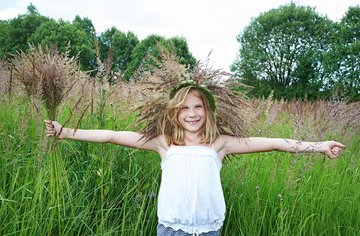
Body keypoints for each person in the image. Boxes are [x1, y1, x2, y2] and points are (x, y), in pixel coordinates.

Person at [44, 85, 345, 236]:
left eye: (198, 107)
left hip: (208, 229)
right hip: (171, 229)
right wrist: (66, 131)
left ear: (207, 111)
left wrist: (319, 146)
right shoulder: (164, 143)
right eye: (184, 108)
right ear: (175, 113)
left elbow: (275, 143)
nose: (191, 113)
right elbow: (112, 135)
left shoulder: (220, 144)